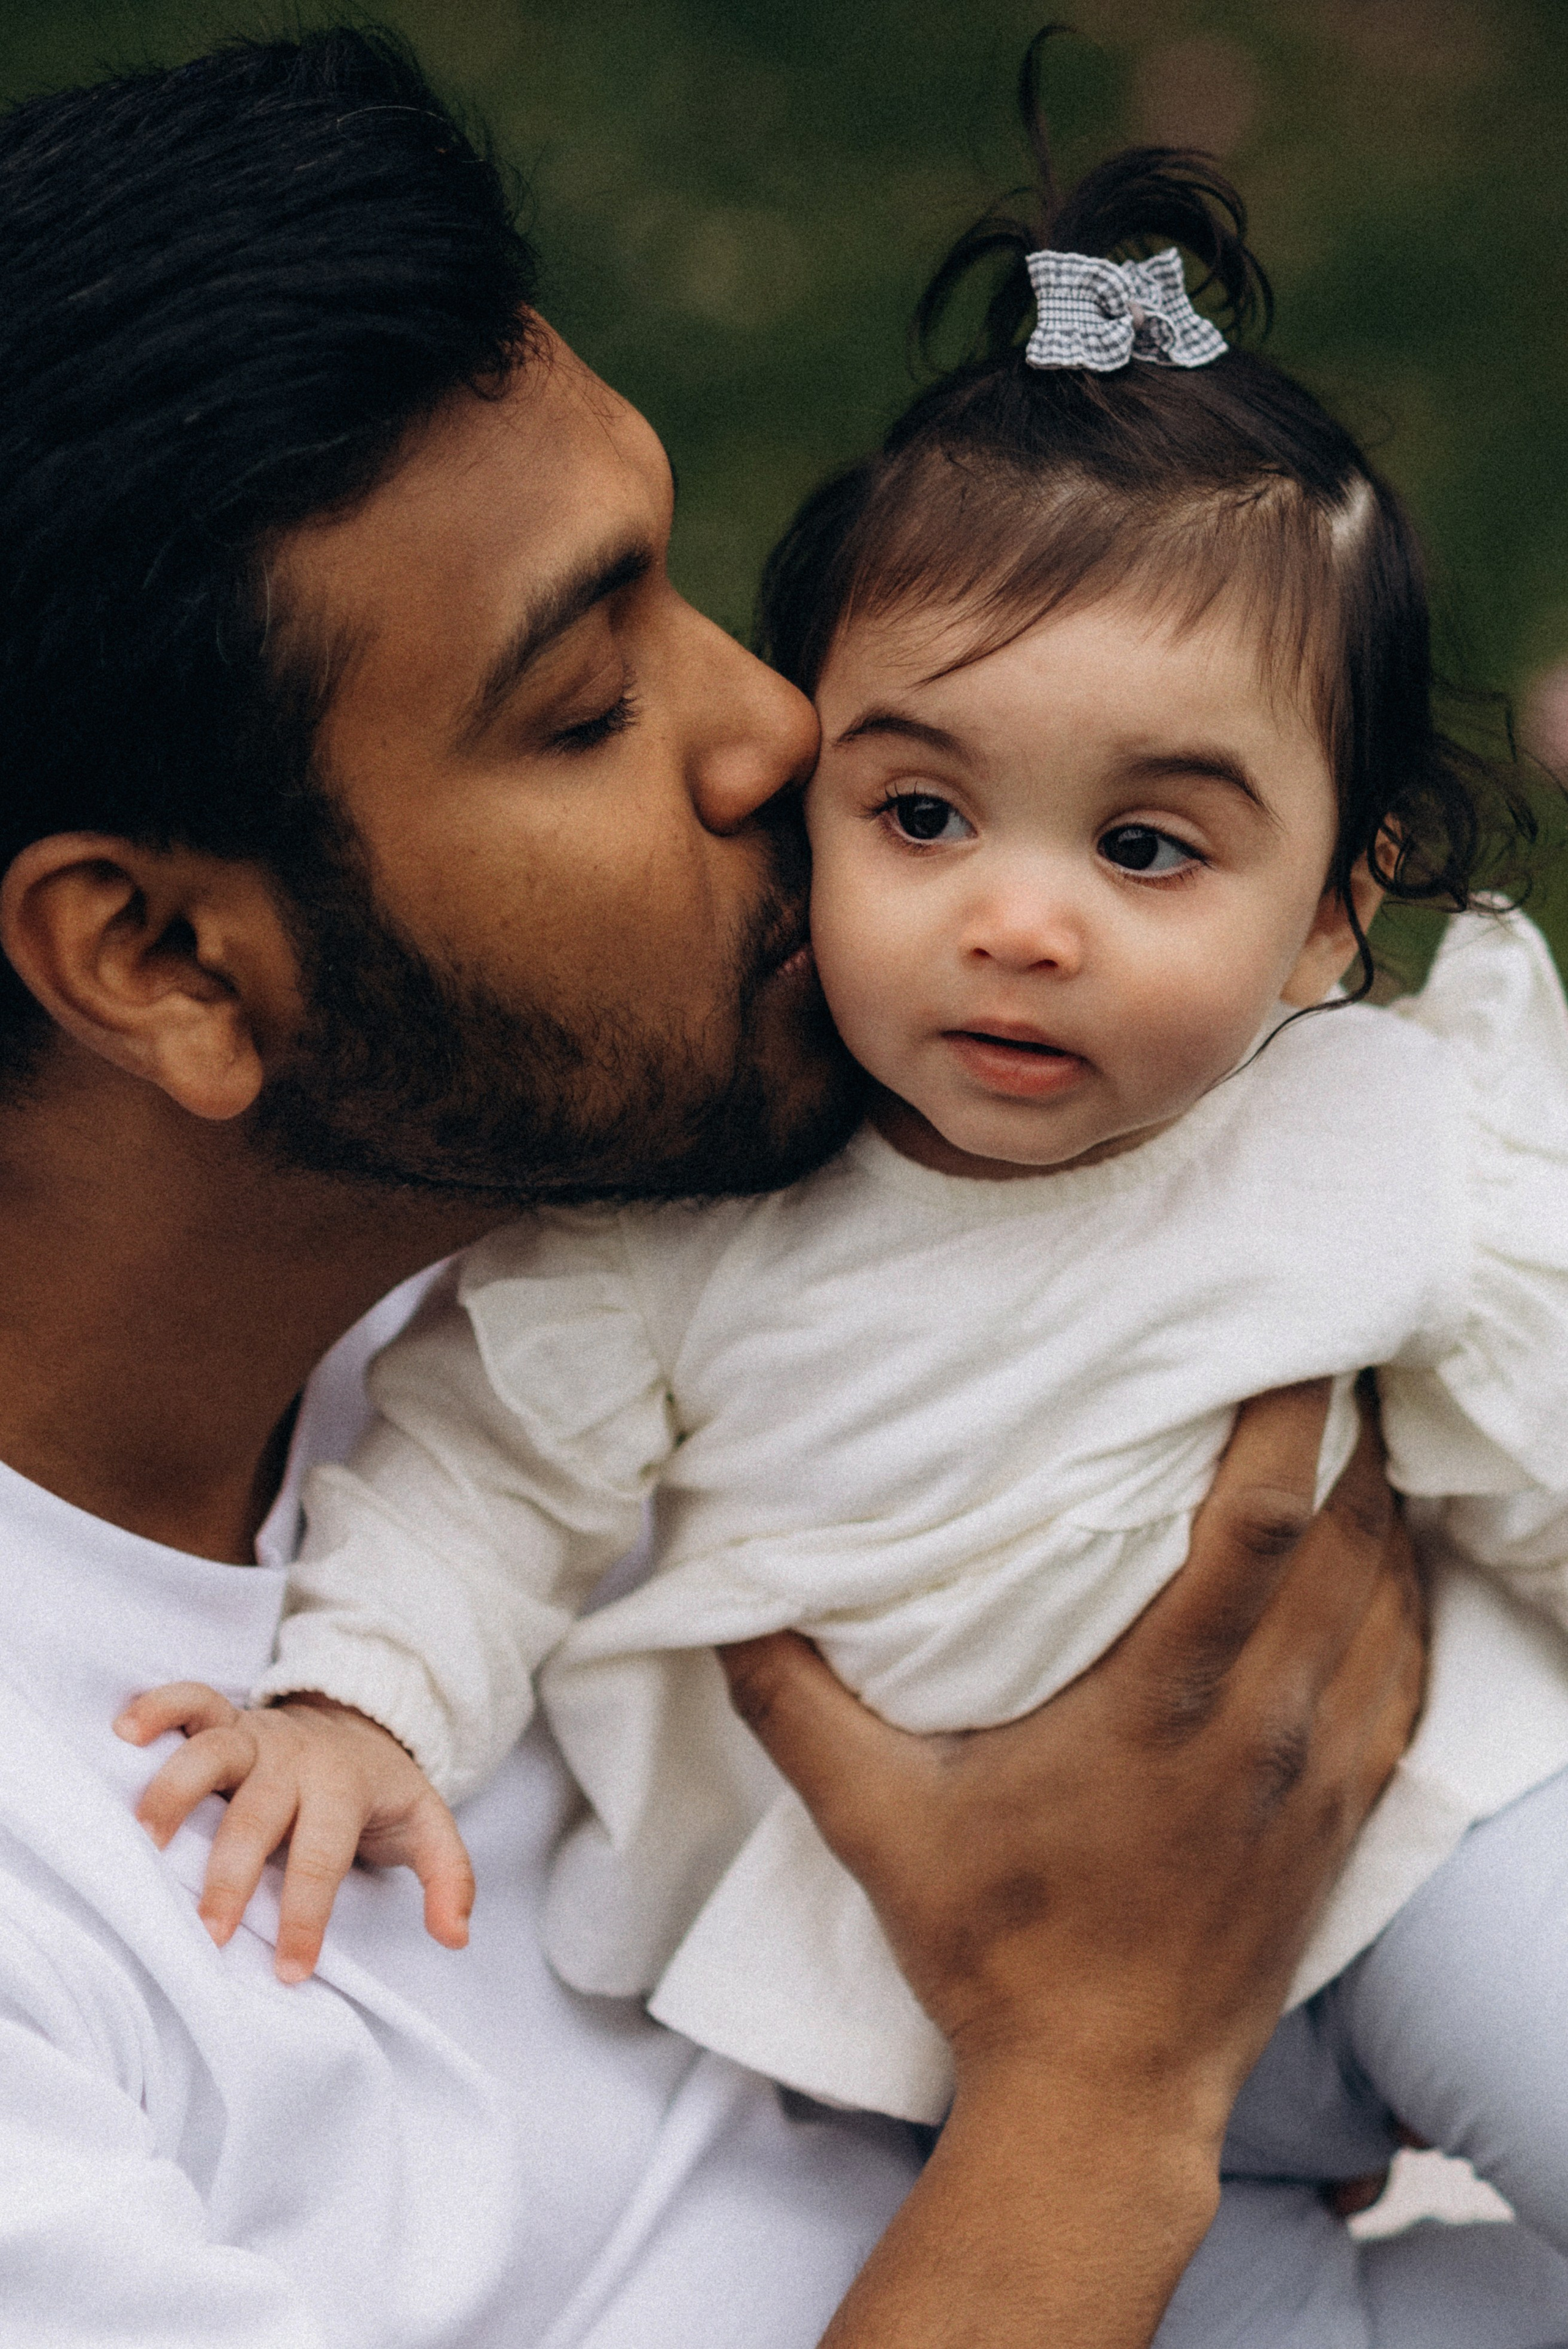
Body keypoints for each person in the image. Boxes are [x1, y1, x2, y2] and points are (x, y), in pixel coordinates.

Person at [0, 23, 1541, 2348]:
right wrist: (1101, 2074)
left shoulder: (542, 1188)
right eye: (584, 707)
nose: (775, 734)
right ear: (162, 959)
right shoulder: (64, 1946)